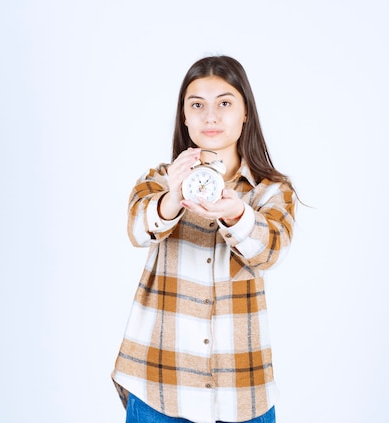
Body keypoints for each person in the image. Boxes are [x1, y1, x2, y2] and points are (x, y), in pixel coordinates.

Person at [111, 55, 297, 423]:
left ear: (245, 113)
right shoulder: (161, 178)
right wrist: (172, 198)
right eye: (197, 105)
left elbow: (271, 249)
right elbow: (137, 228)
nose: (210, 116)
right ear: (184, 116)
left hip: (242, 390)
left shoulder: (270, 191)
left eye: (224, 103)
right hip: (160, 385)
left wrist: (237, 214)